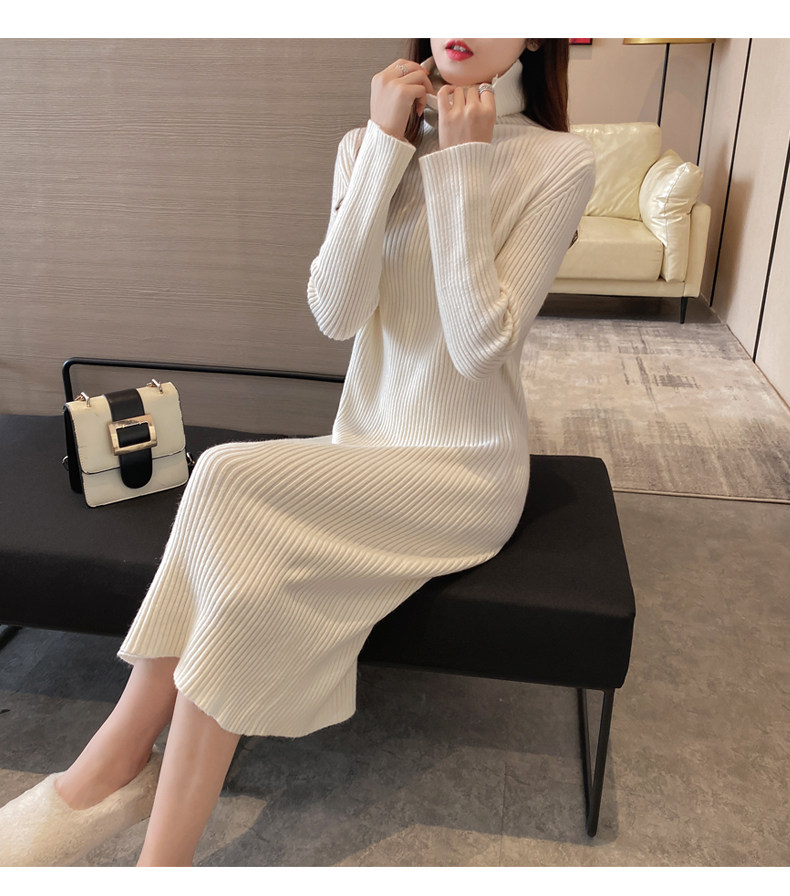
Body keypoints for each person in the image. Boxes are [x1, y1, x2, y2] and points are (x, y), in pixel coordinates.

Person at [0, 38, 594, 867]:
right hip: (367, 447)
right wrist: (383, 147)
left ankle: (104, 773)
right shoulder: (367, 142)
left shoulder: (560, 162)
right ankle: (156, 856)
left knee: (224, 472)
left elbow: (477, 347)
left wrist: (464, 166)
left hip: (465, 470)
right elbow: (336, 314)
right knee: (241, 587)